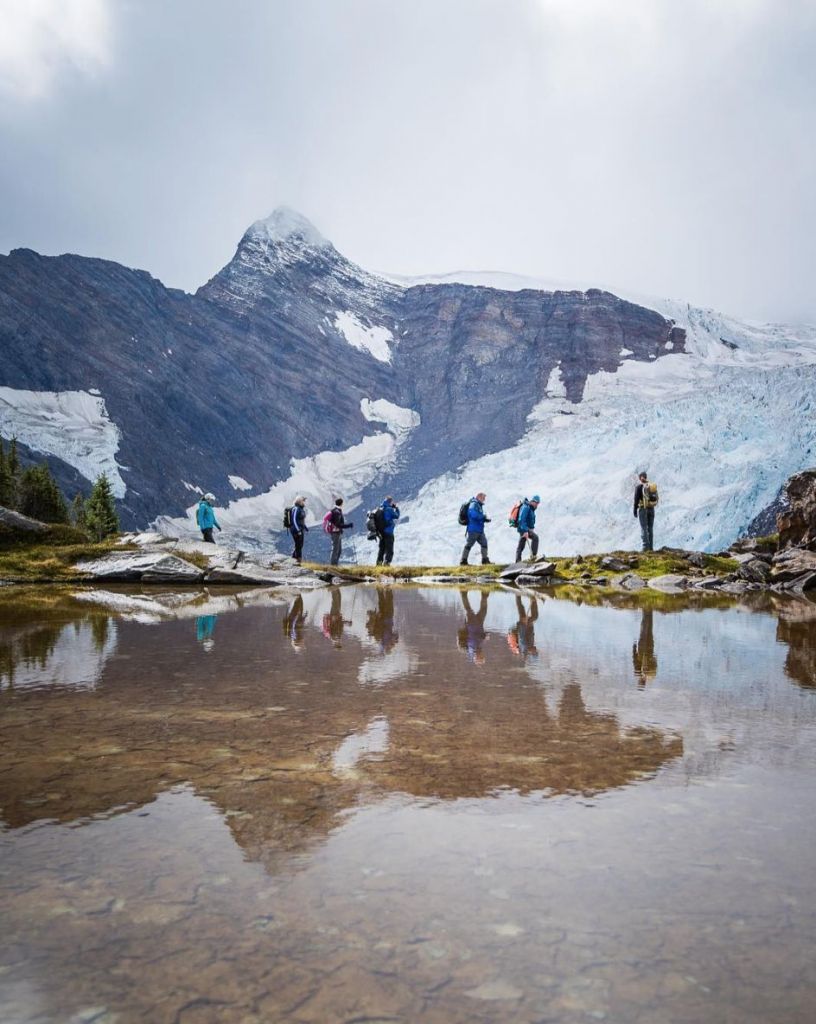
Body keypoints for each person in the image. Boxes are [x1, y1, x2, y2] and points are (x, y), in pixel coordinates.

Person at [457, 590, 489, 665]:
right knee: (483, 609)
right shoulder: (478, 648)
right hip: (479, 623)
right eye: (483, 656)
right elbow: (479, 637)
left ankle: (463, 594)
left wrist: (483, 636)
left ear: (477, 657)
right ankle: (484, 592)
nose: (482, 655)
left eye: (481, 657)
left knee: (468, 609)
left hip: (471, 624)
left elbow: (472, 638)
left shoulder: (472, 649)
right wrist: (484, 636)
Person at [459, 491, 492, 565]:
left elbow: (477, 515)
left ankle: (485, 560)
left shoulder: (478, 505)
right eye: (483, 498)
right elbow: (473, 514)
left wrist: (484, 519)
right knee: (469, 544)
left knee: (484, 543)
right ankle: (463, 561)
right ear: (479, 497)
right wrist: (482, 517)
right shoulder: (474, 504)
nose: (484, 499)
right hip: (473, 529)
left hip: (479, 530)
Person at [327, 497, 354, 566]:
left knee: (338, 550)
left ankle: (335, 564)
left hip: (335, 532)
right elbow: (338, 524)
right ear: (341, 503)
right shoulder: (337, 512)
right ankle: (333, 565)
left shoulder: (335, 510)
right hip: (336, 532)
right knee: (336, 549)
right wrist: (348, 525)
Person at [633, 471, 656, 551]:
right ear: (646, 477)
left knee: (644, 528)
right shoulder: (651, 486)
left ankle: (645, 548)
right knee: (650, 528)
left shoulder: (639, 487)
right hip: (651, 509)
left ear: (640, 478)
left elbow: (636, 500)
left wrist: (635, 510)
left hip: (643, 509)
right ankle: (651, 548)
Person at [515, 495, 541, 562]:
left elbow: (530, 520)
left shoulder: (530, 508)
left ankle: (518, 560)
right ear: (532, 501)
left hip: (526, 528)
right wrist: (526, 531)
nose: (537, 505)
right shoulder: (526, 507)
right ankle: (533, 557)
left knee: (521, 544)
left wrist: (531, 528)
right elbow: (521, 519)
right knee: (535, 538)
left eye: (538, 503)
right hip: (523, 528)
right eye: (536, 503)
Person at [376, 496, 400, 566]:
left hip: (381, 532)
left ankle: (378, 564)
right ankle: (387, 563)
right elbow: (397, 516)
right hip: (388, 532)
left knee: (382, 549)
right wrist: (396, 508)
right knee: (389, 549)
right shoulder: (389, 509)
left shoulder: (380, 508)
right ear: (390, 502)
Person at [290, 496, 308, 562]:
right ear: (300, 502)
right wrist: (298, 530)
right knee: (298, 544)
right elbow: (294, 520)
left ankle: (294, 558)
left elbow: (301, 520)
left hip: (300, 529)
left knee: (300, 544)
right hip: (296, 530)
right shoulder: (296, 509)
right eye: (303, 501)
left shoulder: (301, 509)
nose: (304, 502)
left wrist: (305, 527)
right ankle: (298, 560)